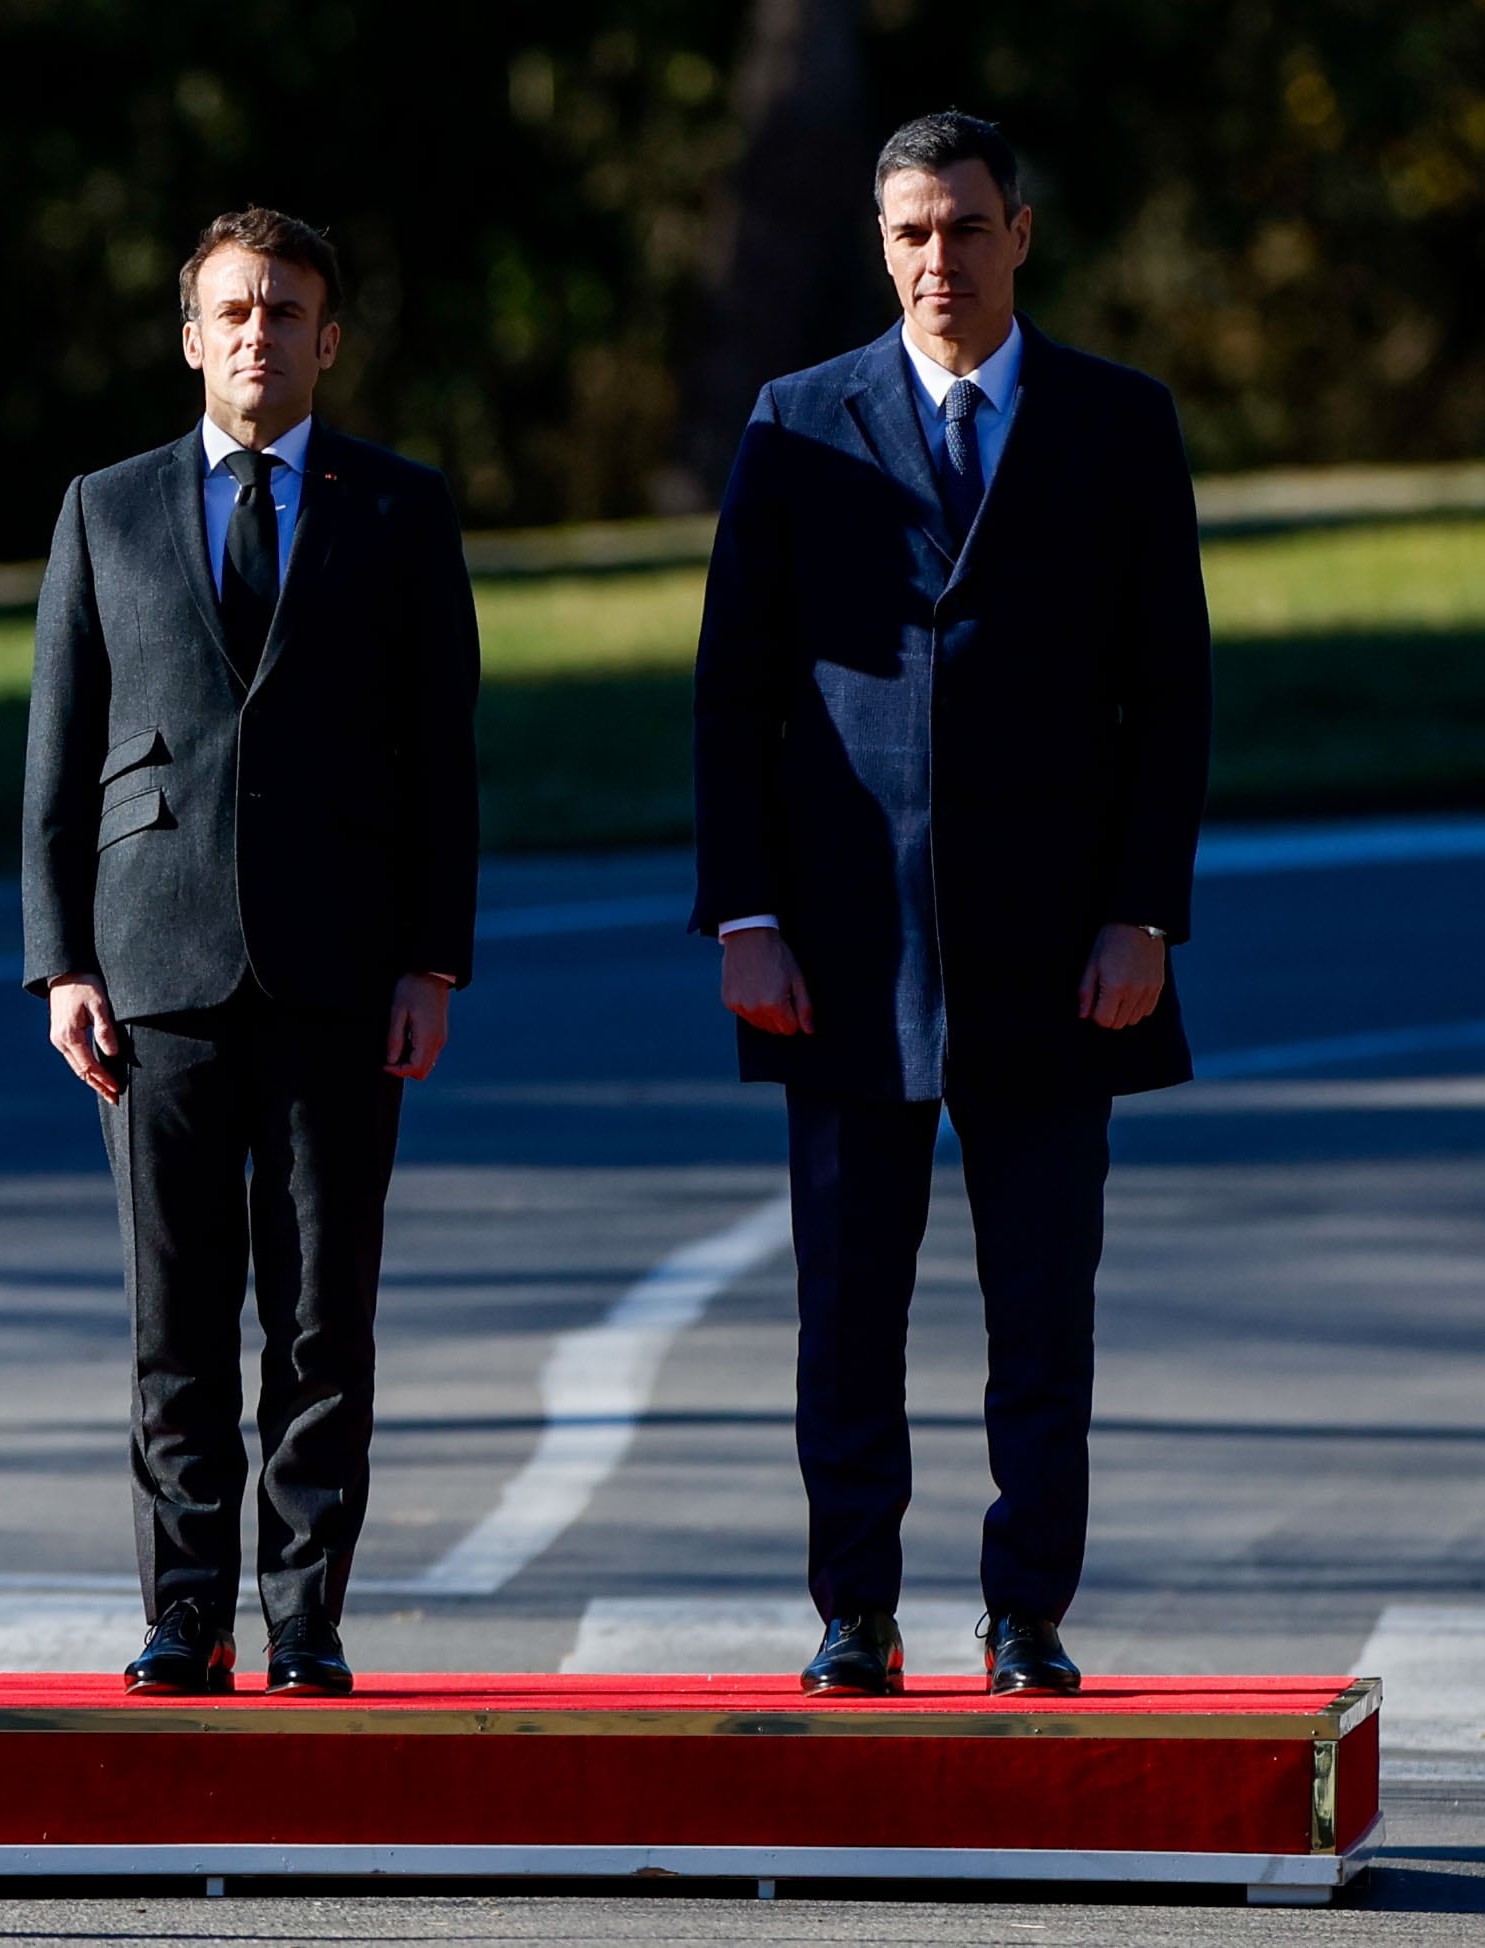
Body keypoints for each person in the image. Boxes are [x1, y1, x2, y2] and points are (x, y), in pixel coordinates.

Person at [691, 112, 1211, 1698]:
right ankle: (853, 1609)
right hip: (842, 953)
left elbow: (1168, 691)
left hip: (1058, 954)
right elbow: (735, 692)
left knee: (1037, 1316)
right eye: (912, 231)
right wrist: (745, 917)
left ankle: (1023, 1615)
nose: (939, 259)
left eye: (966, 227)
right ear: (881, 244)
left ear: (1020, 235)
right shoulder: (798, 421)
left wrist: (1142, 915)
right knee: (846, 1317)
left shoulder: (1117, 423)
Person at [22, 208, 480, 1698]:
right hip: (154, 971)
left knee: (319, 1316)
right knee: (174, 1318)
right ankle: (180, 1613)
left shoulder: (399, 510)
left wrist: (434, 960)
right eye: (232, 311)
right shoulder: (106, 507)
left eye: (286, 312)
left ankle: (302, 1619)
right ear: (189, 334)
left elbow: (441, 758)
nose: (257, 335)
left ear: (326, 338)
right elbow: (58, 755)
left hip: (343, 969)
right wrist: (60, 965)